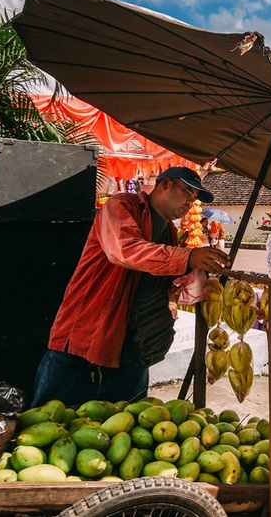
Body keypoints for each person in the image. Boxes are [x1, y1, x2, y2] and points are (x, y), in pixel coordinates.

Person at [30, 167, 230, 407]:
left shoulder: (169, 232)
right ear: (164, 184)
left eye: (194, 197)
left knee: (126, 428)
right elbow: (125, 250)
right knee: (55, 423)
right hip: (87, 340)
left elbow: (156, 279)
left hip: (133, 349)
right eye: (187, 191)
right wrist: (186, 258)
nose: (190, 201)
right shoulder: (121, 205)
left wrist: (189, 279)